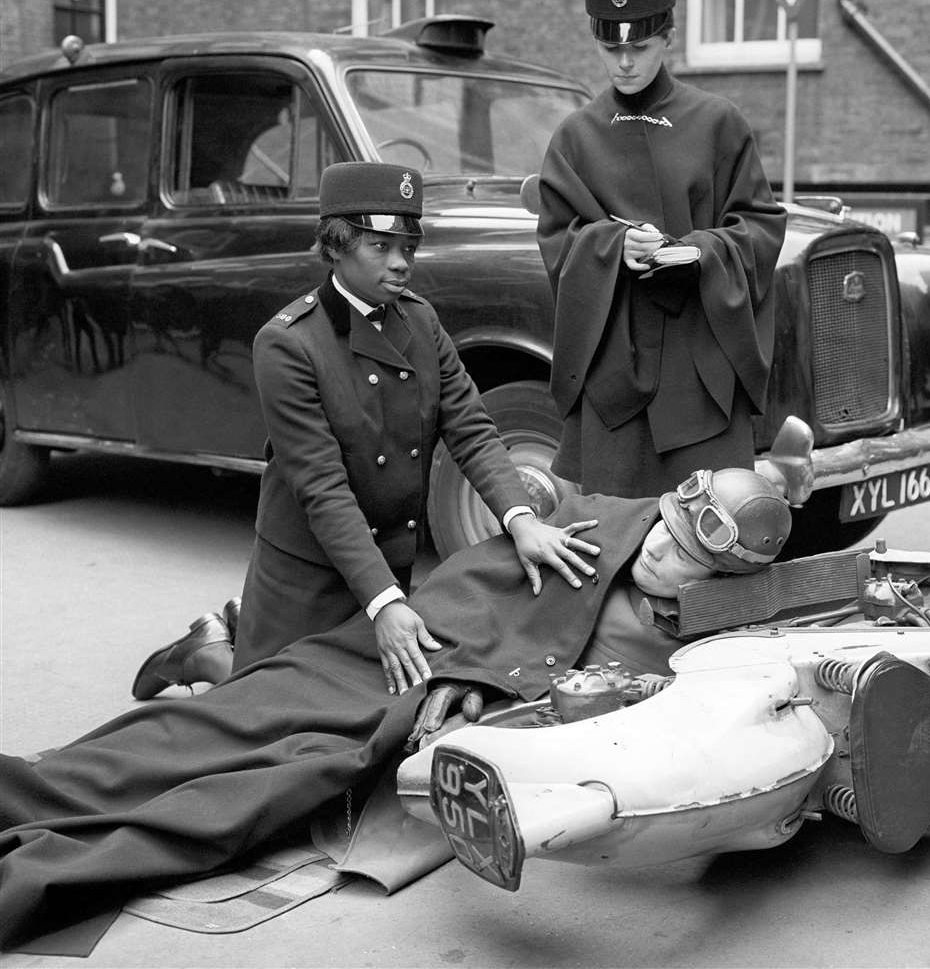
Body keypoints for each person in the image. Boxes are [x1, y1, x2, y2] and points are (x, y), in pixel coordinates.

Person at [0, 468, 792, 949]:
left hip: (441, 718)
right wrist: (525, 527)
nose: (657, 550)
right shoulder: (599, 524)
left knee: (265, 788)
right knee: (225, 727)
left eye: (684, 556)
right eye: (664, 529)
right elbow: (491, 560)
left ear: (716, 580)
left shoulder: (709, 634)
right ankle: (61, 771)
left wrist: (483, 698)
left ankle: (213, 650)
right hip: (403, 659)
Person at [133, 162, 600, 701]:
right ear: (336, 247)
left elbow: (471, 429)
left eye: (409, 247)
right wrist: (384, 602)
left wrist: (520, 519)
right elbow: (322, 488)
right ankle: (207, 652)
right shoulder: (287, 344)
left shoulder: (421, 322)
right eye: (380, 247)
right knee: (261, 717)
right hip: (307, 578)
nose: (401, 264)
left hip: (387, 570)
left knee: (365, 719)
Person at [538, 0, 787, 499]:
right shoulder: (576, 136)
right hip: (615, 378)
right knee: (616, 543)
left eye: (640, 47)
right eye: (610, 47)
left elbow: (761, 226)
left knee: (713, 537)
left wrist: (700, 251)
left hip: (701, 373)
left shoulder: (717, 122)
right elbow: (557, 240)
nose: (624, 62)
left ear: (668, 37)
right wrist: (609, 246)